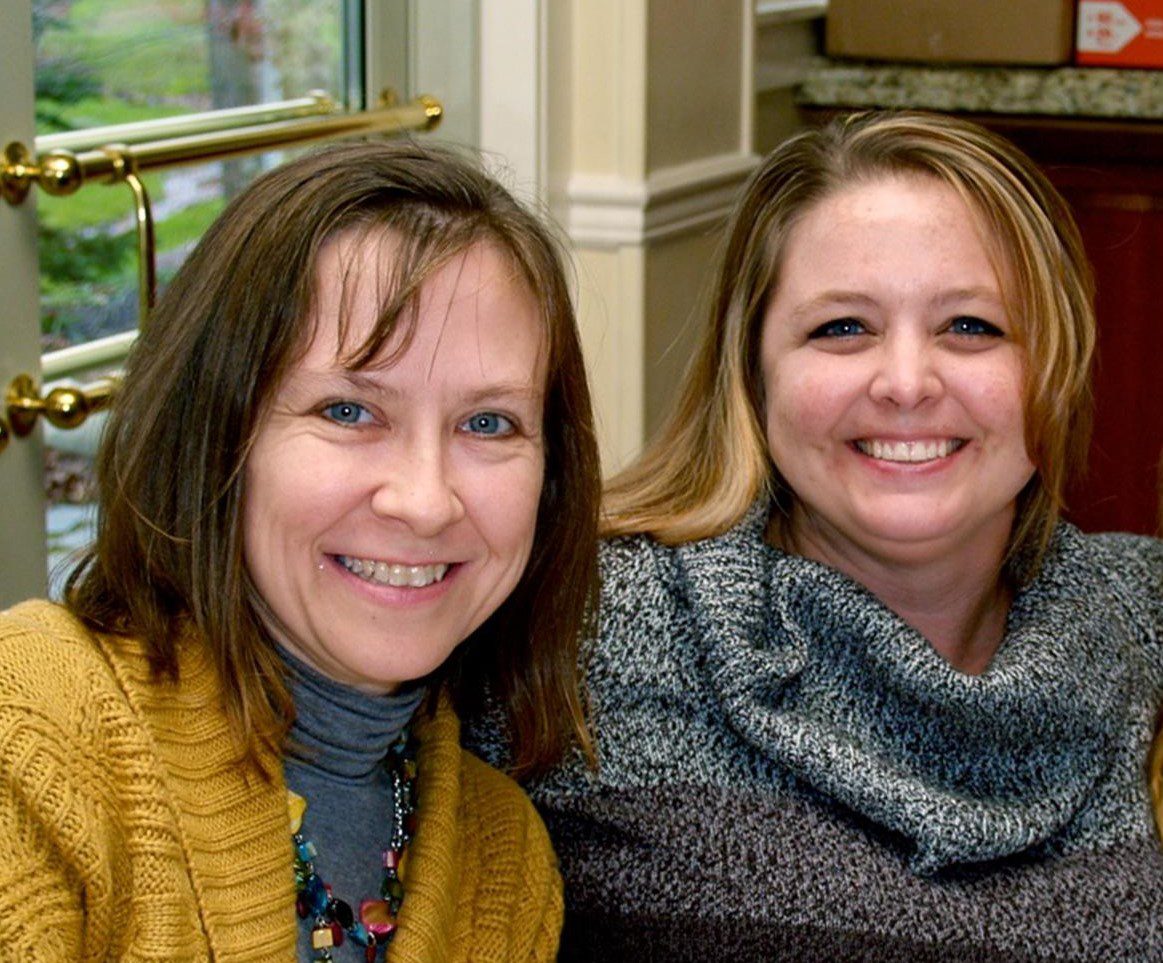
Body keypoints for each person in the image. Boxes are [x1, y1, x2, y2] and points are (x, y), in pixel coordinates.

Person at [493, 111, 1163, 960]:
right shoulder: (572, 624)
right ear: (753, 371)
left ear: (1055, 369)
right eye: (841, 327)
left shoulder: (1131, 616)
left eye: (972, 327)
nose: (907, 382)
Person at [0, 139, 600, 960]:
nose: (423, 501)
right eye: (348, 411)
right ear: (217, 436)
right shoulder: (31, 730)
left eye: (487, 422)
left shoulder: (505, 864)